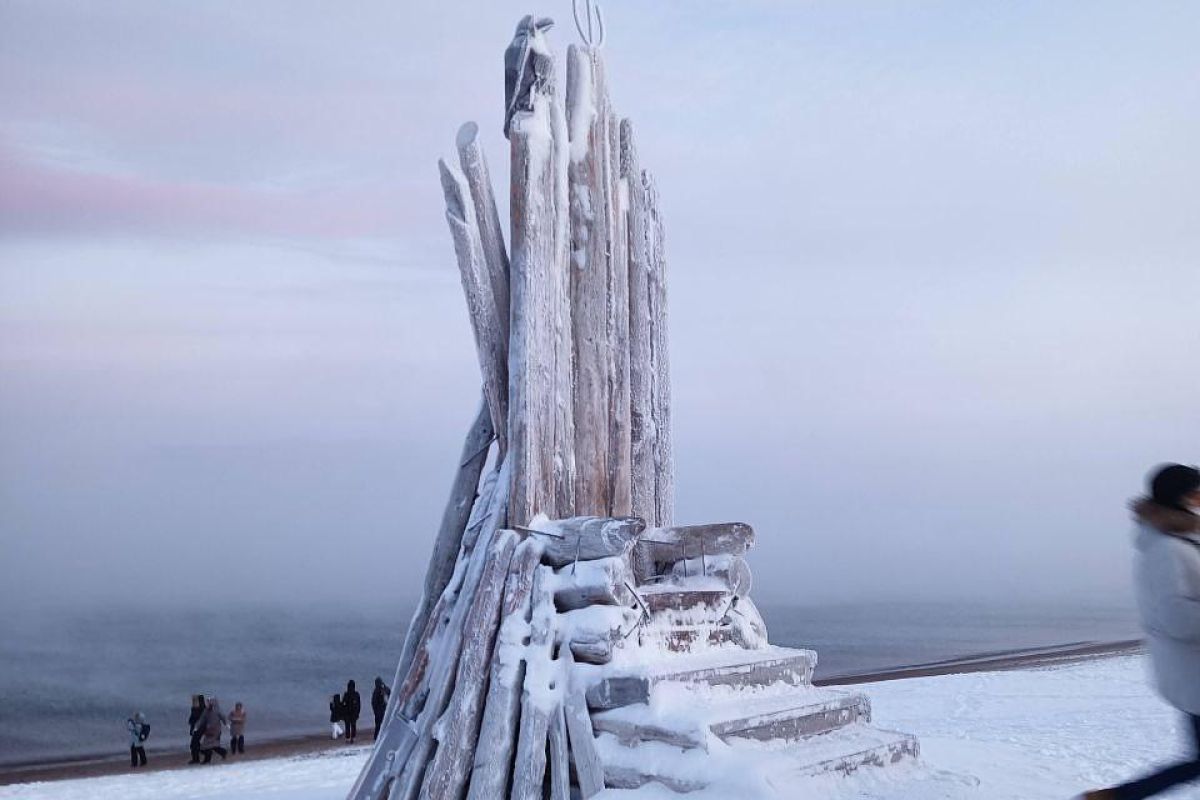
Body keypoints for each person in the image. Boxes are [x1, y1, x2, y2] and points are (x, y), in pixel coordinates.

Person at [1084, 464, 1200, 800]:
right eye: (1195, 490)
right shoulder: (1167, 550)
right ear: (1178, 495)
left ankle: (1114, 797)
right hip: (1193, 674)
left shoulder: (1182, 540)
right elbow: (1176, 618)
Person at [198, 696, 228, 763]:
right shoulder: (206, 711)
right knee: (208, 746)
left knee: (210, 745)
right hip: (209, 731)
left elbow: (223, 717)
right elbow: (202, 719)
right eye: (207, 702)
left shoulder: (217, 710)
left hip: (216, 731)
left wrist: (226, 724)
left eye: (208, 702)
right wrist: (197, 726)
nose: (207, 703)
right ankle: (223, 752)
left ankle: (207, 759)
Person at [188, 694, 206, 764]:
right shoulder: (196, 709)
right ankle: (196, 758)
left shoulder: (199, 709)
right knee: (195, 744)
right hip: (198, 728)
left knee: (194, 744)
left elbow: (194, 720)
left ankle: (196, 759)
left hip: (199, 728)